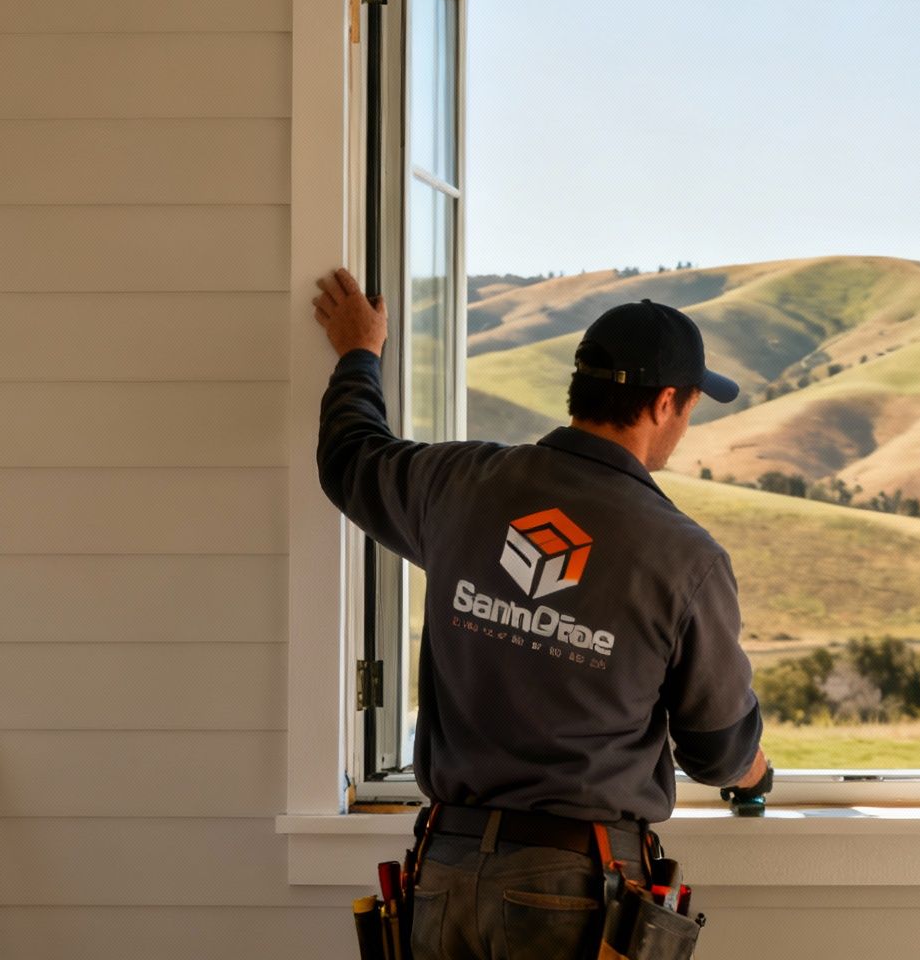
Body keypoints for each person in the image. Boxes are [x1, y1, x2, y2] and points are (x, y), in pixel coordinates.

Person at [311, 267, 772, 959]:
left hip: (442, 874)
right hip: (575, 894)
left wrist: (358, 354)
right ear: (665, 403)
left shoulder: (460, 484)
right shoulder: (683, 558)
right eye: (689, 407)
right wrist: (757, 775)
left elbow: (350, 457)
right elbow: (716, 750)